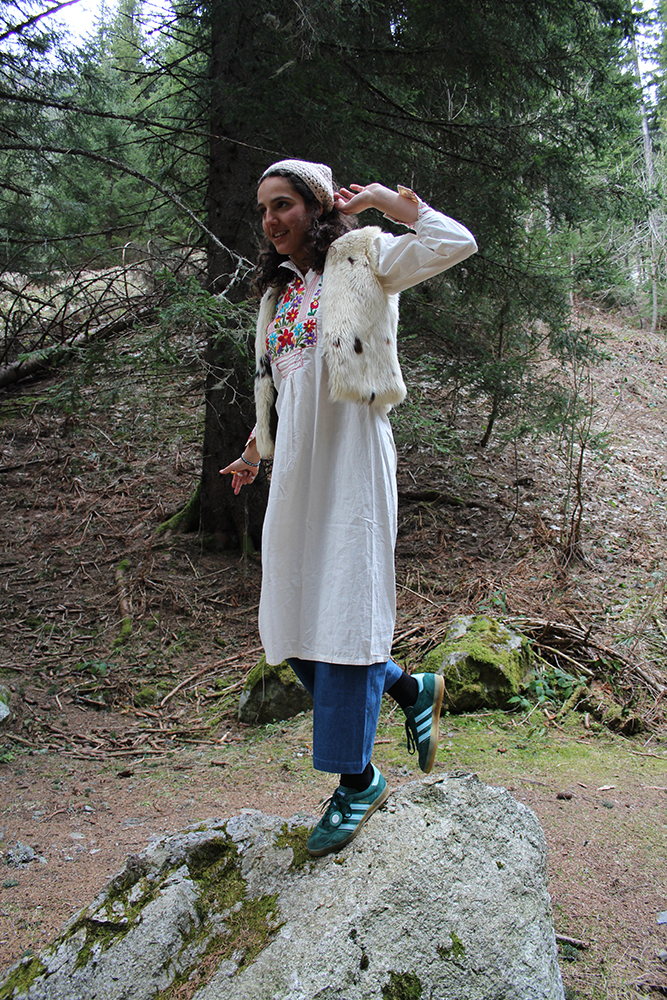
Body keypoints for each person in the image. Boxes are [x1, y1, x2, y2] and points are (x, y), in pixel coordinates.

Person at [221, 158, 477, 857]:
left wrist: (387, 204)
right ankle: (407, 686)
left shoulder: (361, 256)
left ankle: (355, 780)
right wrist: (253, 449)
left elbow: (454, 242)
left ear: (314, 205)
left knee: (346, 608)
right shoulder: (276, 296)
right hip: (297, 470)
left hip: (353, 459)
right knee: (296, 613)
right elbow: (280, 386)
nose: (272, 220)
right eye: (264, 208)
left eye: (284, 205)